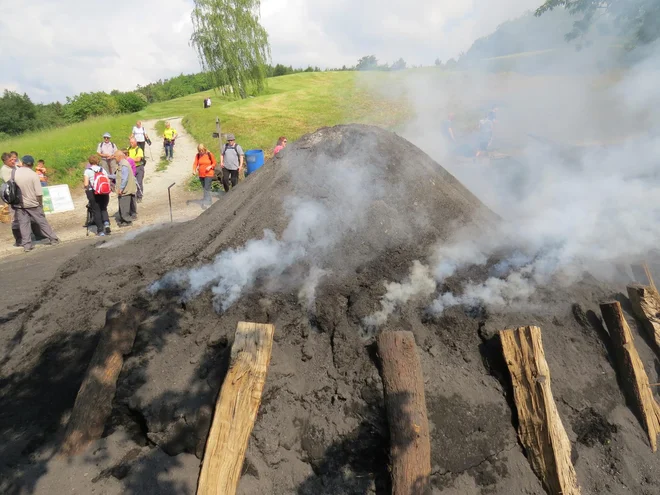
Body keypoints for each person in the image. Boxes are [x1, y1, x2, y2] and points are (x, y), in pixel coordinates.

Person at [12, 155, 59, 252]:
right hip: (32, 203)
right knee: (41, 221)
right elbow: (39, 193)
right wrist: (40, 205)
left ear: (23, 163)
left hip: (19, 204)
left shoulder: (16, 173)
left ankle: (27, 245)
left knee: (23, 224)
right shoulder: (33, 175)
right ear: (32, 164)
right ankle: (53, 238)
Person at [83, 155, 112, 236]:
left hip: (93, 192)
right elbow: (107, 180)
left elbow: (86, 183)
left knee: (96, 210)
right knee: (103, 208)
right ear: (98, 161)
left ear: (90, 162)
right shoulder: (102, 169)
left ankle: (100, 230)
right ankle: (106, 224)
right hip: (104, 191)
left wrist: (85, 187)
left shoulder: (87, 171)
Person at [1, 152, 22, 246]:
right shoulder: (4, 170)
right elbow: (10, 182)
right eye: (10, 160)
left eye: (13, 159)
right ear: (5, 161)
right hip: (12, 196)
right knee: (15, 217)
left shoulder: (15, 167)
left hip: (20, 193)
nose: (13, 161)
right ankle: (18, 240)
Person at [114, 150, 137, 226]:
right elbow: (118, 176)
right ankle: (123, 220)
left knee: (124, 206)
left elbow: (125, 178)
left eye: (115, 156)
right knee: (122, 205)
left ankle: (127, 221)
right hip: (124, 189)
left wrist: (121, 188)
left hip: (125, 189)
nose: (114, 158)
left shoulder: (124, 165)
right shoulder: (122, 164)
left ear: (119, 156)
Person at [193, 144, 216, 208]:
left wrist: (210, 166)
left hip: (209, 174)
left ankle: (206, 202)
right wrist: (194, 170)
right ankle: (209, 200)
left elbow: (214, 163)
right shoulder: (198, 155)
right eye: (200, 151)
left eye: (202, 150)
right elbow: (195, 163)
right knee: (205, 188)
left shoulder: (209, 154)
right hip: (201, 174)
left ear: (204, 149)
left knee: (206, 187)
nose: (201, 152)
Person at [128, 138, 145, 202]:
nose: (131, 144)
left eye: (132, 142)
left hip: (139, 167)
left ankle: (139, 196)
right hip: (131, 168)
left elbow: (138, 159)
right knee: (132, 183)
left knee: (139, 182)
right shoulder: (128, 149)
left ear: (135, 142)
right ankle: (133, 196)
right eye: (130, 142)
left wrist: (129, 159)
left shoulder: (139, 150)